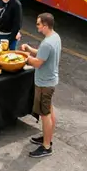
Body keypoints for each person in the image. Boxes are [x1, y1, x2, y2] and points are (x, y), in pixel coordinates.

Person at [22, 12, 62, 158]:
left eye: (38, 24)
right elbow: (42, 54)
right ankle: (47, 138)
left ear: (45, 25)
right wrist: (30, 50)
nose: (37, 26)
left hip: (44, 84)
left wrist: (26, 58)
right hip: (51, 81)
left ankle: (46, 146)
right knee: (49, 111)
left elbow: (38, 62)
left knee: (45, 114)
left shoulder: (47, 43)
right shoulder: (55, 37)